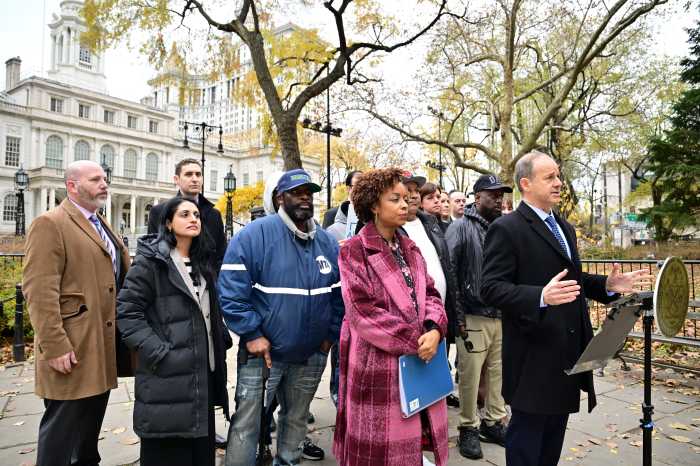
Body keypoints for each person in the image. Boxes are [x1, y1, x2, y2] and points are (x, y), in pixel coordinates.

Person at [480, 150, 653, 466]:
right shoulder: (507, 228)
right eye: (550, 177)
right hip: (532, 358)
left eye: (559, 175)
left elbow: (573, 278)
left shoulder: (563, 227)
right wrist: (540, 296)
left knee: (552, 444)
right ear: (526, 184)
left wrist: (607, 287)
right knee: (527, 445)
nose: (559, 183)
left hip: (568, 352)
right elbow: (490, 288)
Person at [219, 169, 344, 466]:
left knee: (297, 419)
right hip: (263, 355)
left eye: (309, 193)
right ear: (279, 198)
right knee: (247, 423)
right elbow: (231, 291)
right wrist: (252, 335)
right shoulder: (254, 234)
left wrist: (329, 338)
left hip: (311, 355)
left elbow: (340, 297)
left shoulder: (326, 242)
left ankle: (287, 461)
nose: (305, 198)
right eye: (297, 192)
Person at [334, 168, 449, 466]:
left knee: (411, 445)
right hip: (377, 364)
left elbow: (432, 294)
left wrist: (435, 329)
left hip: (420, 358)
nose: (404, 204)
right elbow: (362, 312)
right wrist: (417, 340)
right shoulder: (354, 251)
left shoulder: (411, 247)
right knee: (378, 450)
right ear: (374, 204)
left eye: (406, 198)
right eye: (394, 198)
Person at [23, 160, 131, 466]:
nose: (104, 183)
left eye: (104, 178)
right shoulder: (50, 223)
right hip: (71, 347)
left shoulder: (99, 222)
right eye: (95, 179)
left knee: (87, 435)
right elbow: (39, 291)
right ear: (72, 186)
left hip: (100, 346)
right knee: (61, 433)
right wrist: (55, 345)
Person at [116, 197, 231, 466]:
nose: (194, 219)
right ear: (168, 223)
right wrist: (158, 351)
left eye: (196, 215)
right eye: (184, 214)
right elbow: (127, 311)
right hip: (166, 377)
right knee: (169, 453)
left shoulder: (203, 264)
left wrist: (219, 336)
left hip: (202, 374)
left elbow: (207, 310)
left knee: (200, 453)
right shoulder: (151, 262)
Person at [445, 174, 513, 459]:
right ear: (477, 197)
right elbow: (451, 272)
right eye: (492, 194)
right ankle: (468, 426)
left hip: (501, 315)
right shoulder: (461, 228)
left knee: (498, 373)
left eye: (501, 194)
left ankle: (493, 421)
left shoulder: (503, 228)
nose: (498, 198)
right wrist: (457, 316)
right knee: (471, 377)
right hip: (472, 315)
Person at [405, 175, 460, 408]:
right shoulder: (393, 227)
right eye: (407, 190)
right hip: (412, 320)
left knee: (436, 369)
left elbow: (445, 266)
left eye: (417, 189)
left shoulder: (429, 222)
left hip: (439, 314)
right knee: (413, 378)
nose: (414, 194)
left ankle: (433, 410)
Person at [147, 158, 226, 273]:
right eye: (189, 174)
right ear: (176, 179)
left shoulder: (215, 215)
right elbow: (154, 252)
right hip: (172, 282)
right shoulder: (158, 212)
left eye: (198, 175)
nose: (195, 179)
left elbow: (221, 255)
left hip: (207, 283)